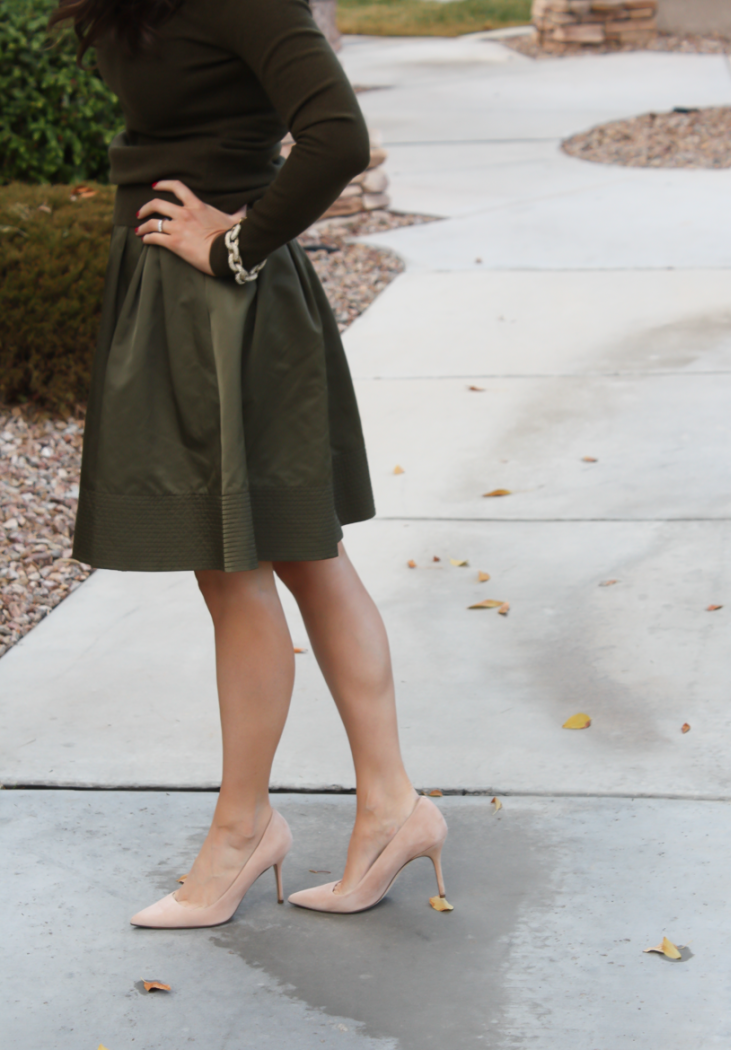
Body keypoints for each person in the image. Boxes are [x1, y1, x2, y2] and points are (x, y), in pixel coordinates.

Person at [50, 0, 447, 927]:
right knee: (299, 558)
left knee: (247, 569)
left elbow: (337, 135)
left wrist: (231, 245)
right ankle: (389, 807)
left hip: (225, 306)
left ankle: (244, 830)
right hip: (183, 296)